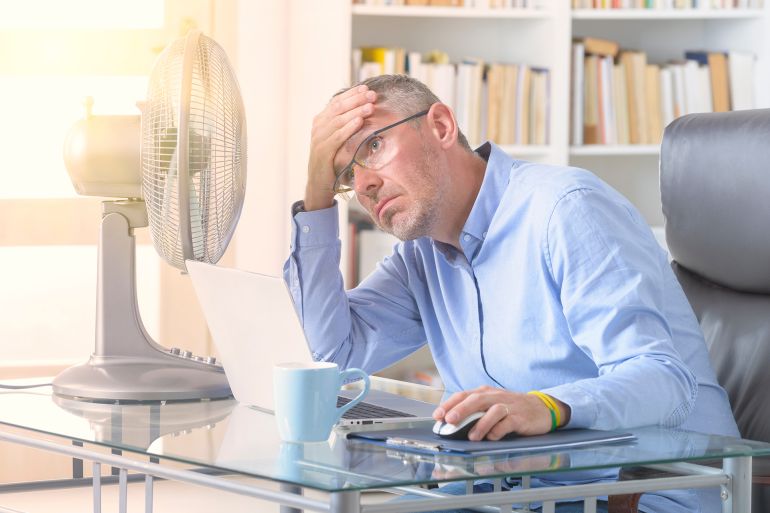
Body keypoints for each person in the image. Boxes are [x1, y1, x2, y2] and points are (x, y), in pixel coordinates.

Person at [283, 74, 738, 513]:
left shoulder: (565, 207)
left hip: (642, 492)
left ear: (441, 126)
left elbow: (663, 381)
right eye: (346, 175)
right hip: (509, 491)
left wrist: (546, 407)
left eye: (374, 147)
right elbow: (334, 353)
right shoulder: (421, 256)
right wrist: (316, 193)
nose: (363, 185)